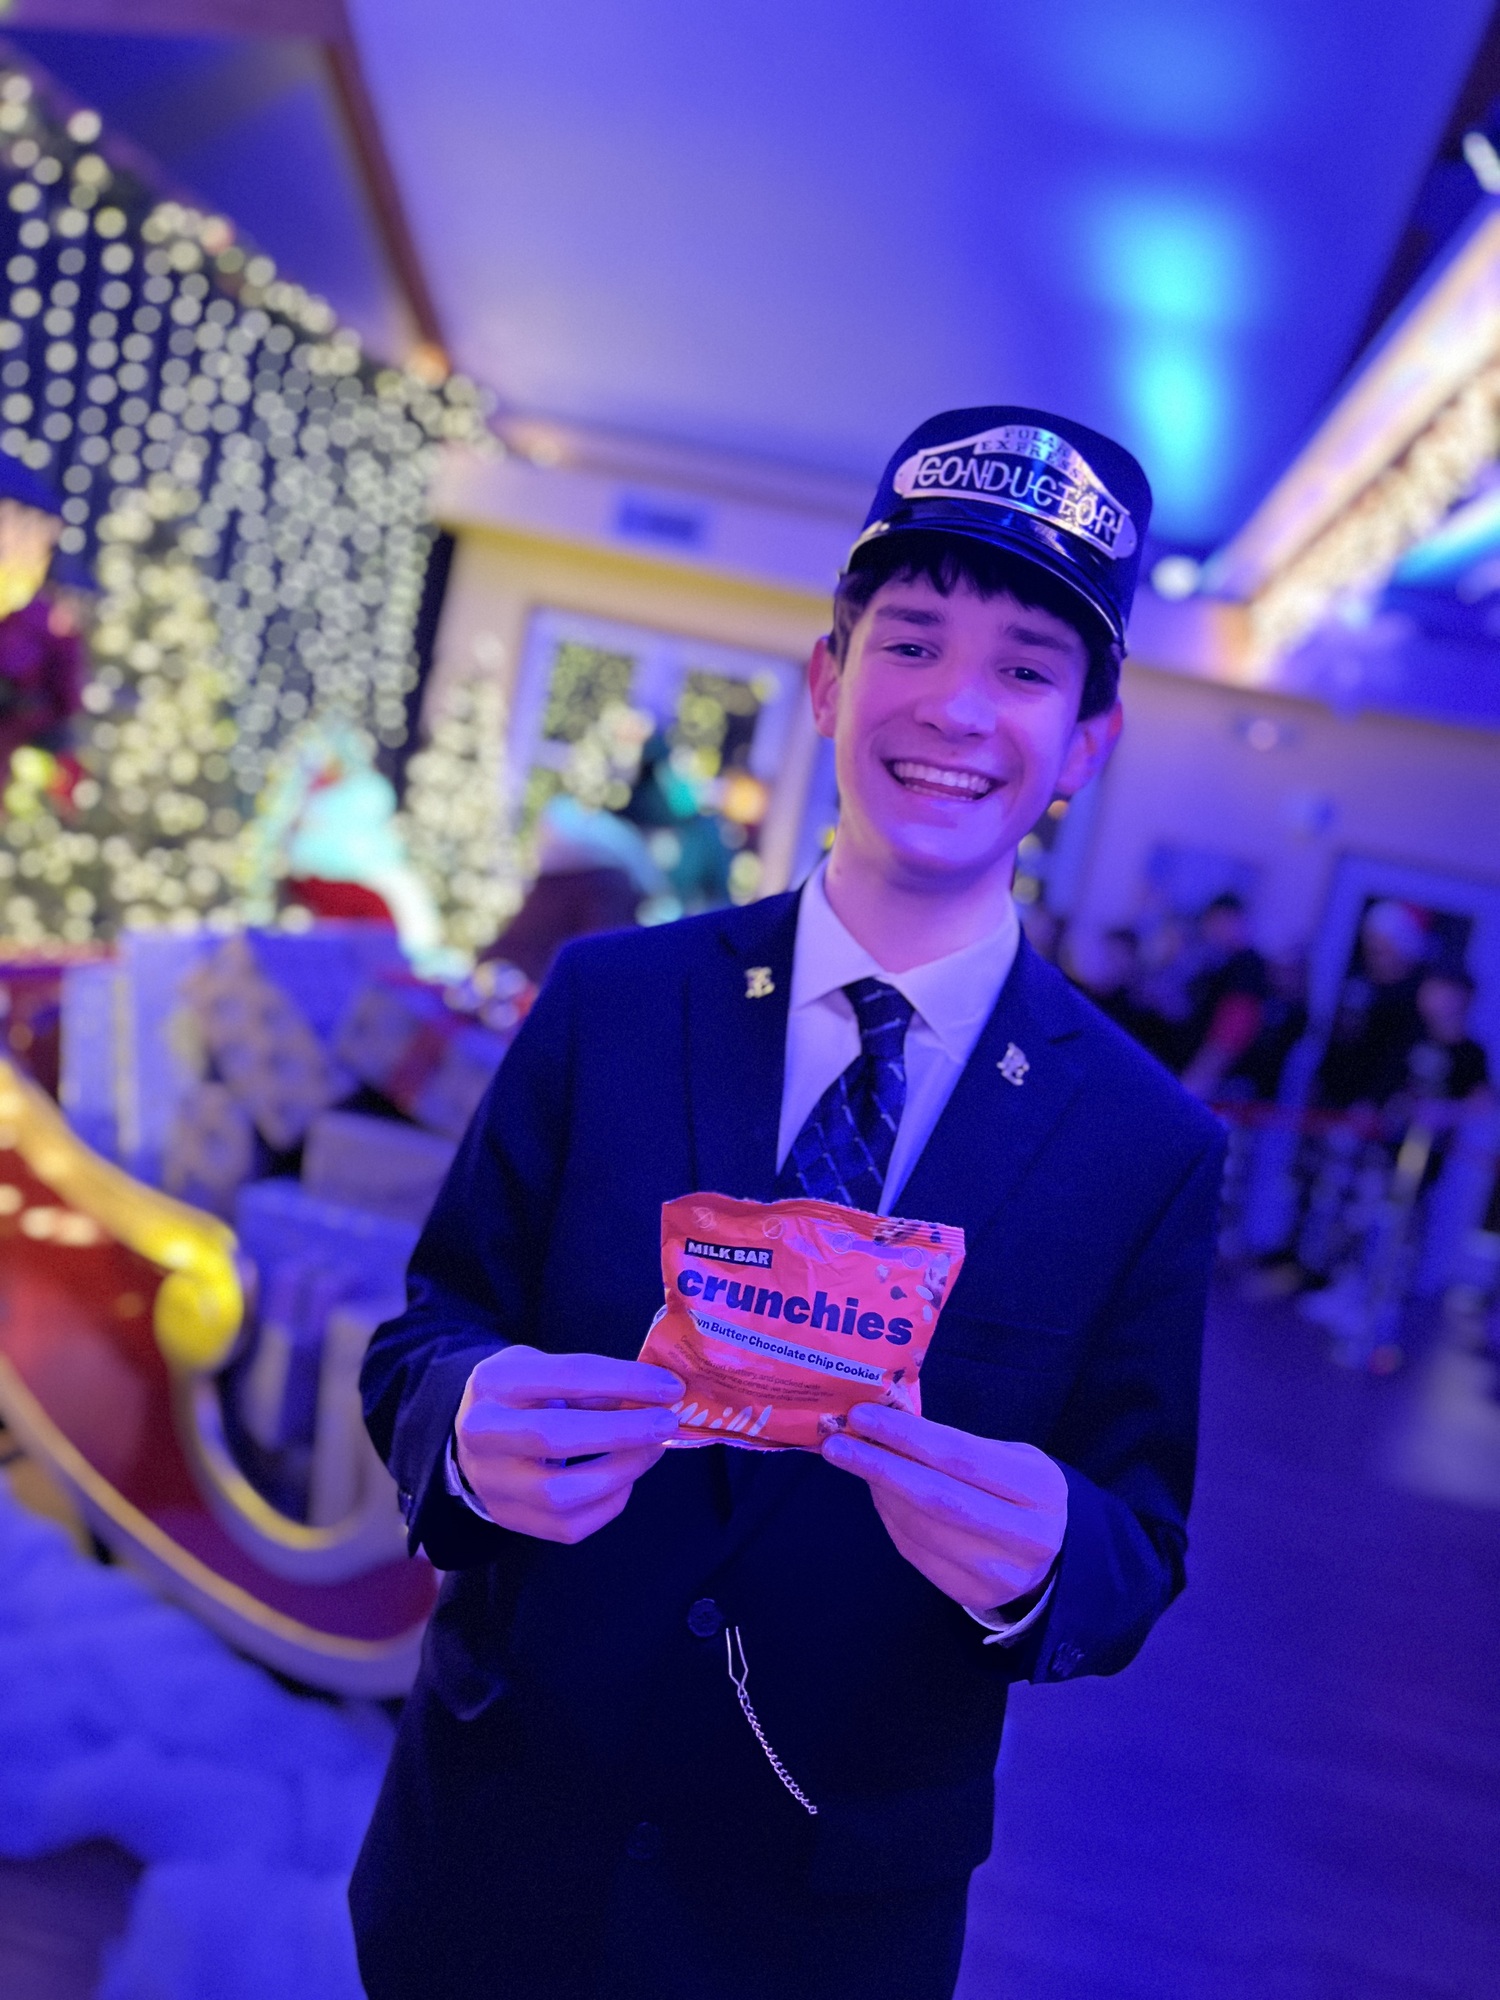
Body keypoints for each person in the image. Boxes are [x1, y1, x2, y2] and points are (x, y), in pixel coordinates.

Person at [351, 406, 1226, 2000]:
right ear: (829, 679)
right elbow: (431, 1332)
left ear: (1086, 747)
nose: (957, 708)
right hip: (492, 1848)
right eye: (912, 642)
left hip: (826, 1912)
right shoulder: (609, 1002)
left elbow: (1136, 1544)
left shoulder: (1144, 1143)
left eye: (1028, 669)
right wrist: (465, 1422)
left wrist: (1045, 1555)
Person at [1179, 893, 1269, 1099]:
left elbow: (1234, 1027)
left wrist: (1196, 1080)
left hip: (1212, 1085)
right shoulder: (1220, 962)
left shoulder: (1247, 965)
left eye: (1214, 922)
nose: (1210, 931)